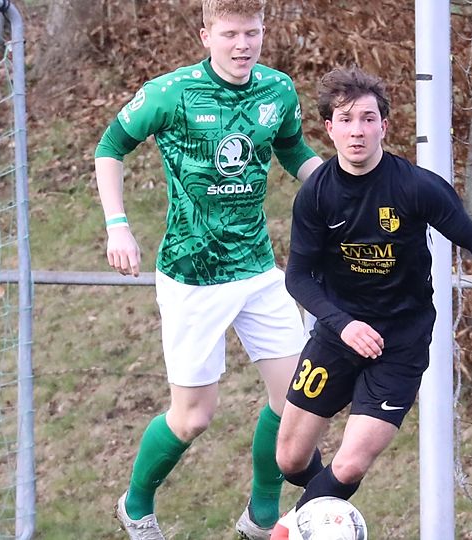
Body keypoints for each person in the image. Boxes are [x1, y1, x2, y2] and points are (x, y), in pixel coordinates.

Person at [93, 0, 323, 538]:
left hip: (258, 269)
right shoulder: (171, 93)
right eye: (230, 34)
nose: (243, 45)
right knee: (193, 416)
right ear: (206, 36)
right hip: (192, 274)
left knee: (295, 396)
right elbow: (110, 146)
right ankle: (136, 504)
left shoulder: (278, 89)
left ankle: (261, 515)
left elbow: (293, 151)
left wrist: (347, 187)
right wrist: (117, 225)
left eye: (252, 33)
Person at [270, 66, 472, 537]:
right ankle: (322, 510)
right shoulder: (316, 194)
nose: (357, 131)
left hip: (400, 344)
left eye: (367, 119)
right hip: (338, 335)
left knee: (351, 463)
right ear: (329, 128)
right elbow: (297, 276)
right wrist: (343, 324)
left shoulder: (415, 187)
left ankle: (292, 529)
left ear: (384, 125)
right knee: (290, 458)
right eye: (346, 120)